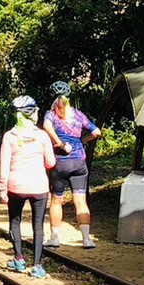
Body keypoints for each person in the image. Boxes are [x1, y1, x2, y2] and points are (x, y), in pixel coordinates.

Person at [0, 95, 57, 277]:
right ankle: (37, 265)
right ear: (31, 114)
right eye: (37, 110)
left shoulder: (9, 137)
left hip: (16, 186)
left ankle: (19, 259)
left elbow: (4, 165)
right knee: (38, 225)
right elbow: (51, 162)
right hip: (39, 186)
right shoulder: (42, 136)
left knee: (15, 221)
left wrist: (2, 187)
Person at [42, 80, 101, 249]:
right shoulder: (78, 115)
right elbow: (96, 132)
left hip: (60, 163)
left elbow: (46, 126)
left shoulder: (51, 114)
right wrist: (83, 140)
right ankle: (87, 239)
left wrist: (59, 143)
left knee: (56, 201)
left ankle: (55, 238)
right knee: (81, 202)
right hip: (79, 163)